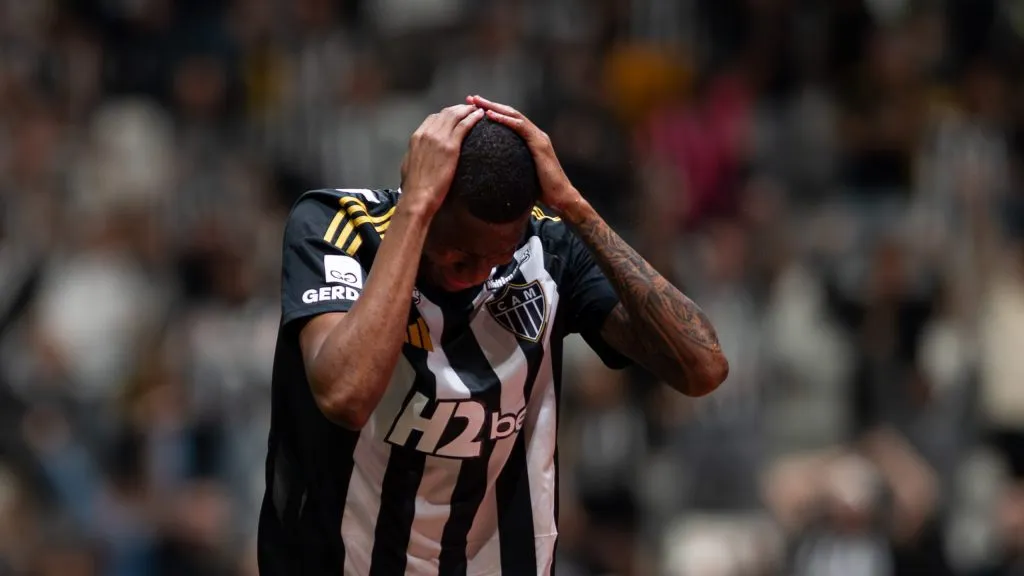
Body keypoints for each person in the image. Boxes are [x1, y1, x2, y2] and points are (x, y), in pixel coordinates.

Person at [257, 95, 729, 575]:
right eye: (461, 256)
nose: (479, 273)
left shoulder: (548, 248)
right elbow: (346, 396)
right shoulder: (338, 227)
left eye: (497, 258)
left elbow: (703, 368)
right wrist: (414, 208)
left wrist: (573, 204)